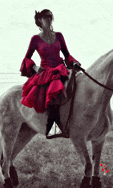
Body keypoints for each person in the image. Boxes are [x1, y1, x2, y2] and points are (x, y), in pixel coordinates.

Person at [20, 9, 81, 138]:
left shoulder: (59, 36)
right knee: (54, 89)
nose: (49, 19)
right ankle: (53, 128)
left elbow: (66, 55)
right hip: (46, 71)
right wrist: (35, 67)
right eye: (46, 17)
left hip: (60, 68)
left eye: (50, 17)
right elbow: (27, 58)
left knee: (79, 85)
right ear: (40, 20)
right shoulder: (35, 39)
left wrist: (74, 62)